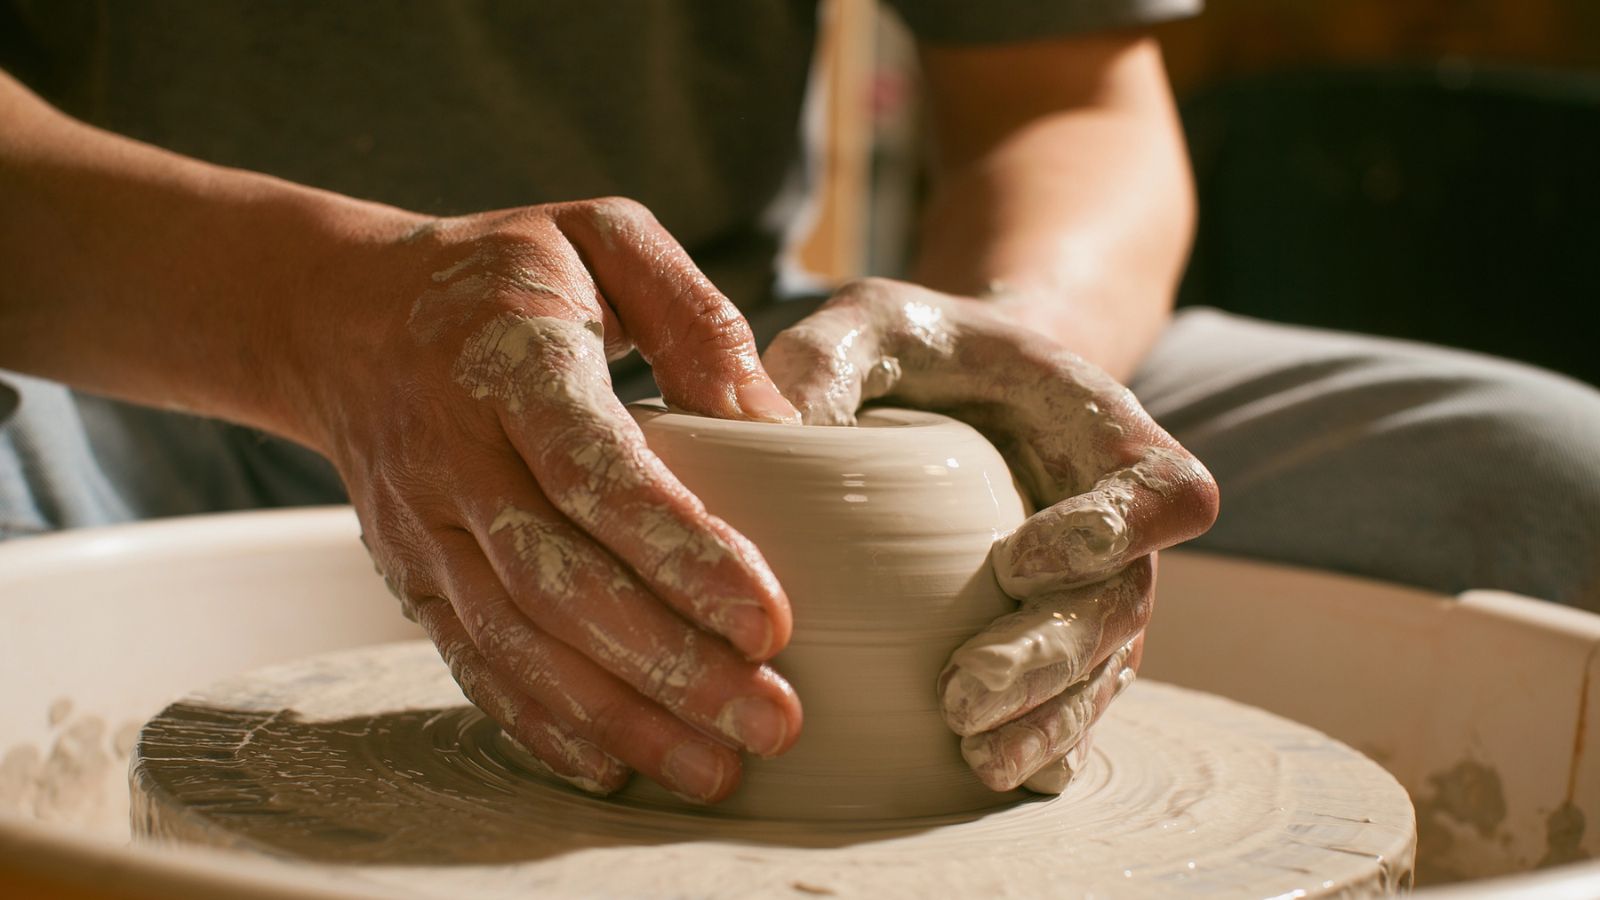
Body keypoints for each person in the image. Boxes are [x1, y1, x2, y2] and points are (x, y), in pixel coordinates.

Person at [1, 1, 1594, 805]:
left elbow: (1070, 101)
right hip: (130, 349)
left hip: (725, 366)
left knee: (1543, 488)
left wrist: (995, 358)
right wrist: (314, 318)